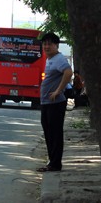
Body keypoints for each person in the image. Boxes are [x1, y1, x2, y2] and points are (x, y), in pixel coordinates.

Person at [38, 32, 73, 172]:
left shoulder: (59, 59)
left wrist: (58, 90)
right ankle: (52, 162)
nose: (46, 46)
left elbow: (68, 72)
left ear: (56, 45)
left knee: (55, 133)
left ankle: (55, 164)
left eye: (50, 44)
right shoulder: (50, 59)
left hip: (55, 103)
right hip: (47, 102)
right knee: (48, 132)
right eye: (45, 43)